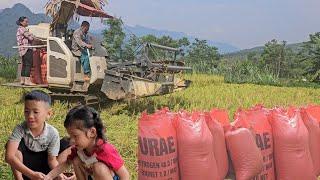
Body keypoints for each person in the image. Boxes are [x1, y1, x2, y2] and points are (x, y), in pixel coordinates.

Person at [44, 105, 130, 180]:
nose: (71, 141)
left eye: (75, 136)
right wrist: (48, 177)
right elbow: (66, 163)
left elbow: (124, 174)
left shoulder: (105, 150)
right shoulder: (78, 149)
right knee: (76, 160)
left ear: (92, 132)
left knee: (99, 167)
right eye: (70, 136)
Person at [5, 90, 68, 180]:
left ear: (48, 114)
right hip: (25, 169)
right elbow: (9, 157)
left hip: (44, 168)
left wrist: (59, 174)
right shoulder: (20, 129)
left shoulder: (53, 133)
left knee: (69, 144)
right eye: (26, 111)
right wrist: (32, 175)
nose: (30, 116)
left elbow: (52, 160)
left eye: (35, 112)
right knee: (11, 146)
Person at [16, 16, 36, 86]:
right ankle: (27, 81)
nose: (27, 22)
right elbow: (31, 38)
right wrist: (32, 35)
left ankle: (22, 80)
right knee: (28, 64)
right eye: (26, 21)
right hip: (26, 48)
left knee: (24, 65)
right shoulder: (22, 29)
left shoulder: (20, 29)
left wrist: (31, 35)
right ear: (21, 22)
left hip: (22, 49)